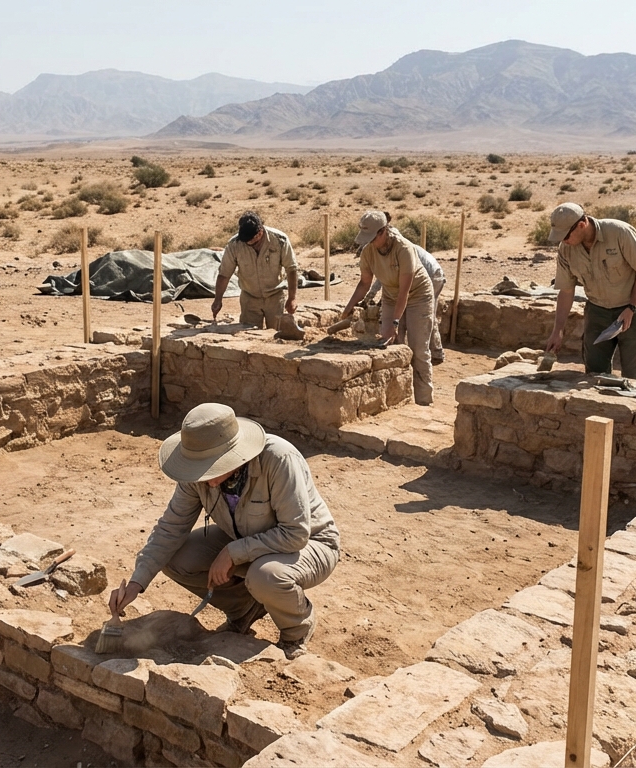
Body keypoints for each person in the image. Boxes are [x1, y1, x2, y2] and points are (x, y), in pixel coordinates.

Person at [108, 403, 340, 660]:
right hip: (242, 537)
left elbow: (295, 533)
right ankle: (245, 609)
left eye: (213, 467)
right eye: (200, 468)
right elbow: (170, 528)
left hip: (309, 544)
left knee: (266, 576)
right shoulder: (194, 473)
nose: (206, 478)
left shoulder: (278, 459)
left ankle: (296, 628)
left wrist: (233, 552)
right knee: (176, 558)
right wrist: (136, 582)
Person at [543, 203, 636, 381]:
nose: (563, 241)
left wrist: (631, 308)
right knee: (594, 374)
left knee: (635, 374)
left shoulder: (619, 232)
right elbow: (566, 290)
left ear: (581, 225)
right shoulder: (566, 250)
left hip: (632, 310)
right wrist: (558, 331)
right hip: (597, 312)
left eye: (565, 236)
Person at [341, 211, 436, 405]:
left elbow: (405, 290)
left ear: (384, 231)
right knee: (388, 344)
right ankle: (398, 400)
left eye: (373, 237)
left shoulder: (404, 248)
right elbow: (364, 283)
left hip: (418, 295)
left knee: (418, 349)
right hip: (391, 296)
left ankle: (424, 401)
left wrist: (395, 321)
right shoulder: (368, 251)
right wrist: (348, 307)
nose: (369, 242)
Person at [363, 213, 448, 364]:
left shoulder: (401, 249)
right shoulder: (385, 248)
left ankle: (436, 352)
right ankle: (402, 352)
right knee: (404, 315)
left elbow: (391, 283)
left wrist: (370, 296)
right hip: (418, 278)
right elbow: (384, 278)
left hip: (432, 276)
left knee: (426, 316)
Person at [211, 212, 299, 330]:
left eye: (251, 242)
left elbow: (291, 268)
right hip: (249, 299)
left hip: (275, 297)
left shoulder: (279, 240)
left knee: (277, 335)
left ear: (260, 232)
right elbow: (224, 274)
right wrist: (218, 300)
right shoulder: (235, 244)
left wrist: (292, 298)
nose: (248, 244)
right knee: (247, 337)